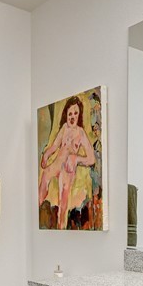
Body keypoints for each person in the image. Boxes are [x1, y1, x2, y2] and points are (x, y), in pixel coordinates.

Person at [39, 96, 96, 229]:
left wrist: (76, 158)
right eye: (70, 113)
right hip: (57, 163)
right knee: (46, 174)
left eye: (75, 113)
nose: (72, 117)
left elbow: (91, 158)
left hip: (68, 168)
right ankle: (39, 202)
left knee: (63, 196)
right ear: (66, 115)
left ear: (79, 115)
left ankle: (61, 224)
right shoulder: (64, 128)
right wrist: (46, 155)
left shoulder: (80, 133)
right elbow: (54, 146)